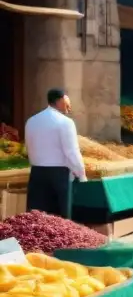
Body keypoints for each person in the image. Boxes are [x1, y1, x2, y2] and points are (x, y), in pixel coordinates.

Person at [24, 88, 86, 219]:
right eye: (67, 103)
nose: (69, 107)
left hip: (36, 174)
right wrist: (81, 174)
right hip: (59, 175)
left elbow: (29, 148)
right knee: (61, 221)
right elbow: (71, 152)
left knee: (37, 219)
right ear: (60, 100)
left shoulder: (31, 121)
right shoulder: (65, 122)